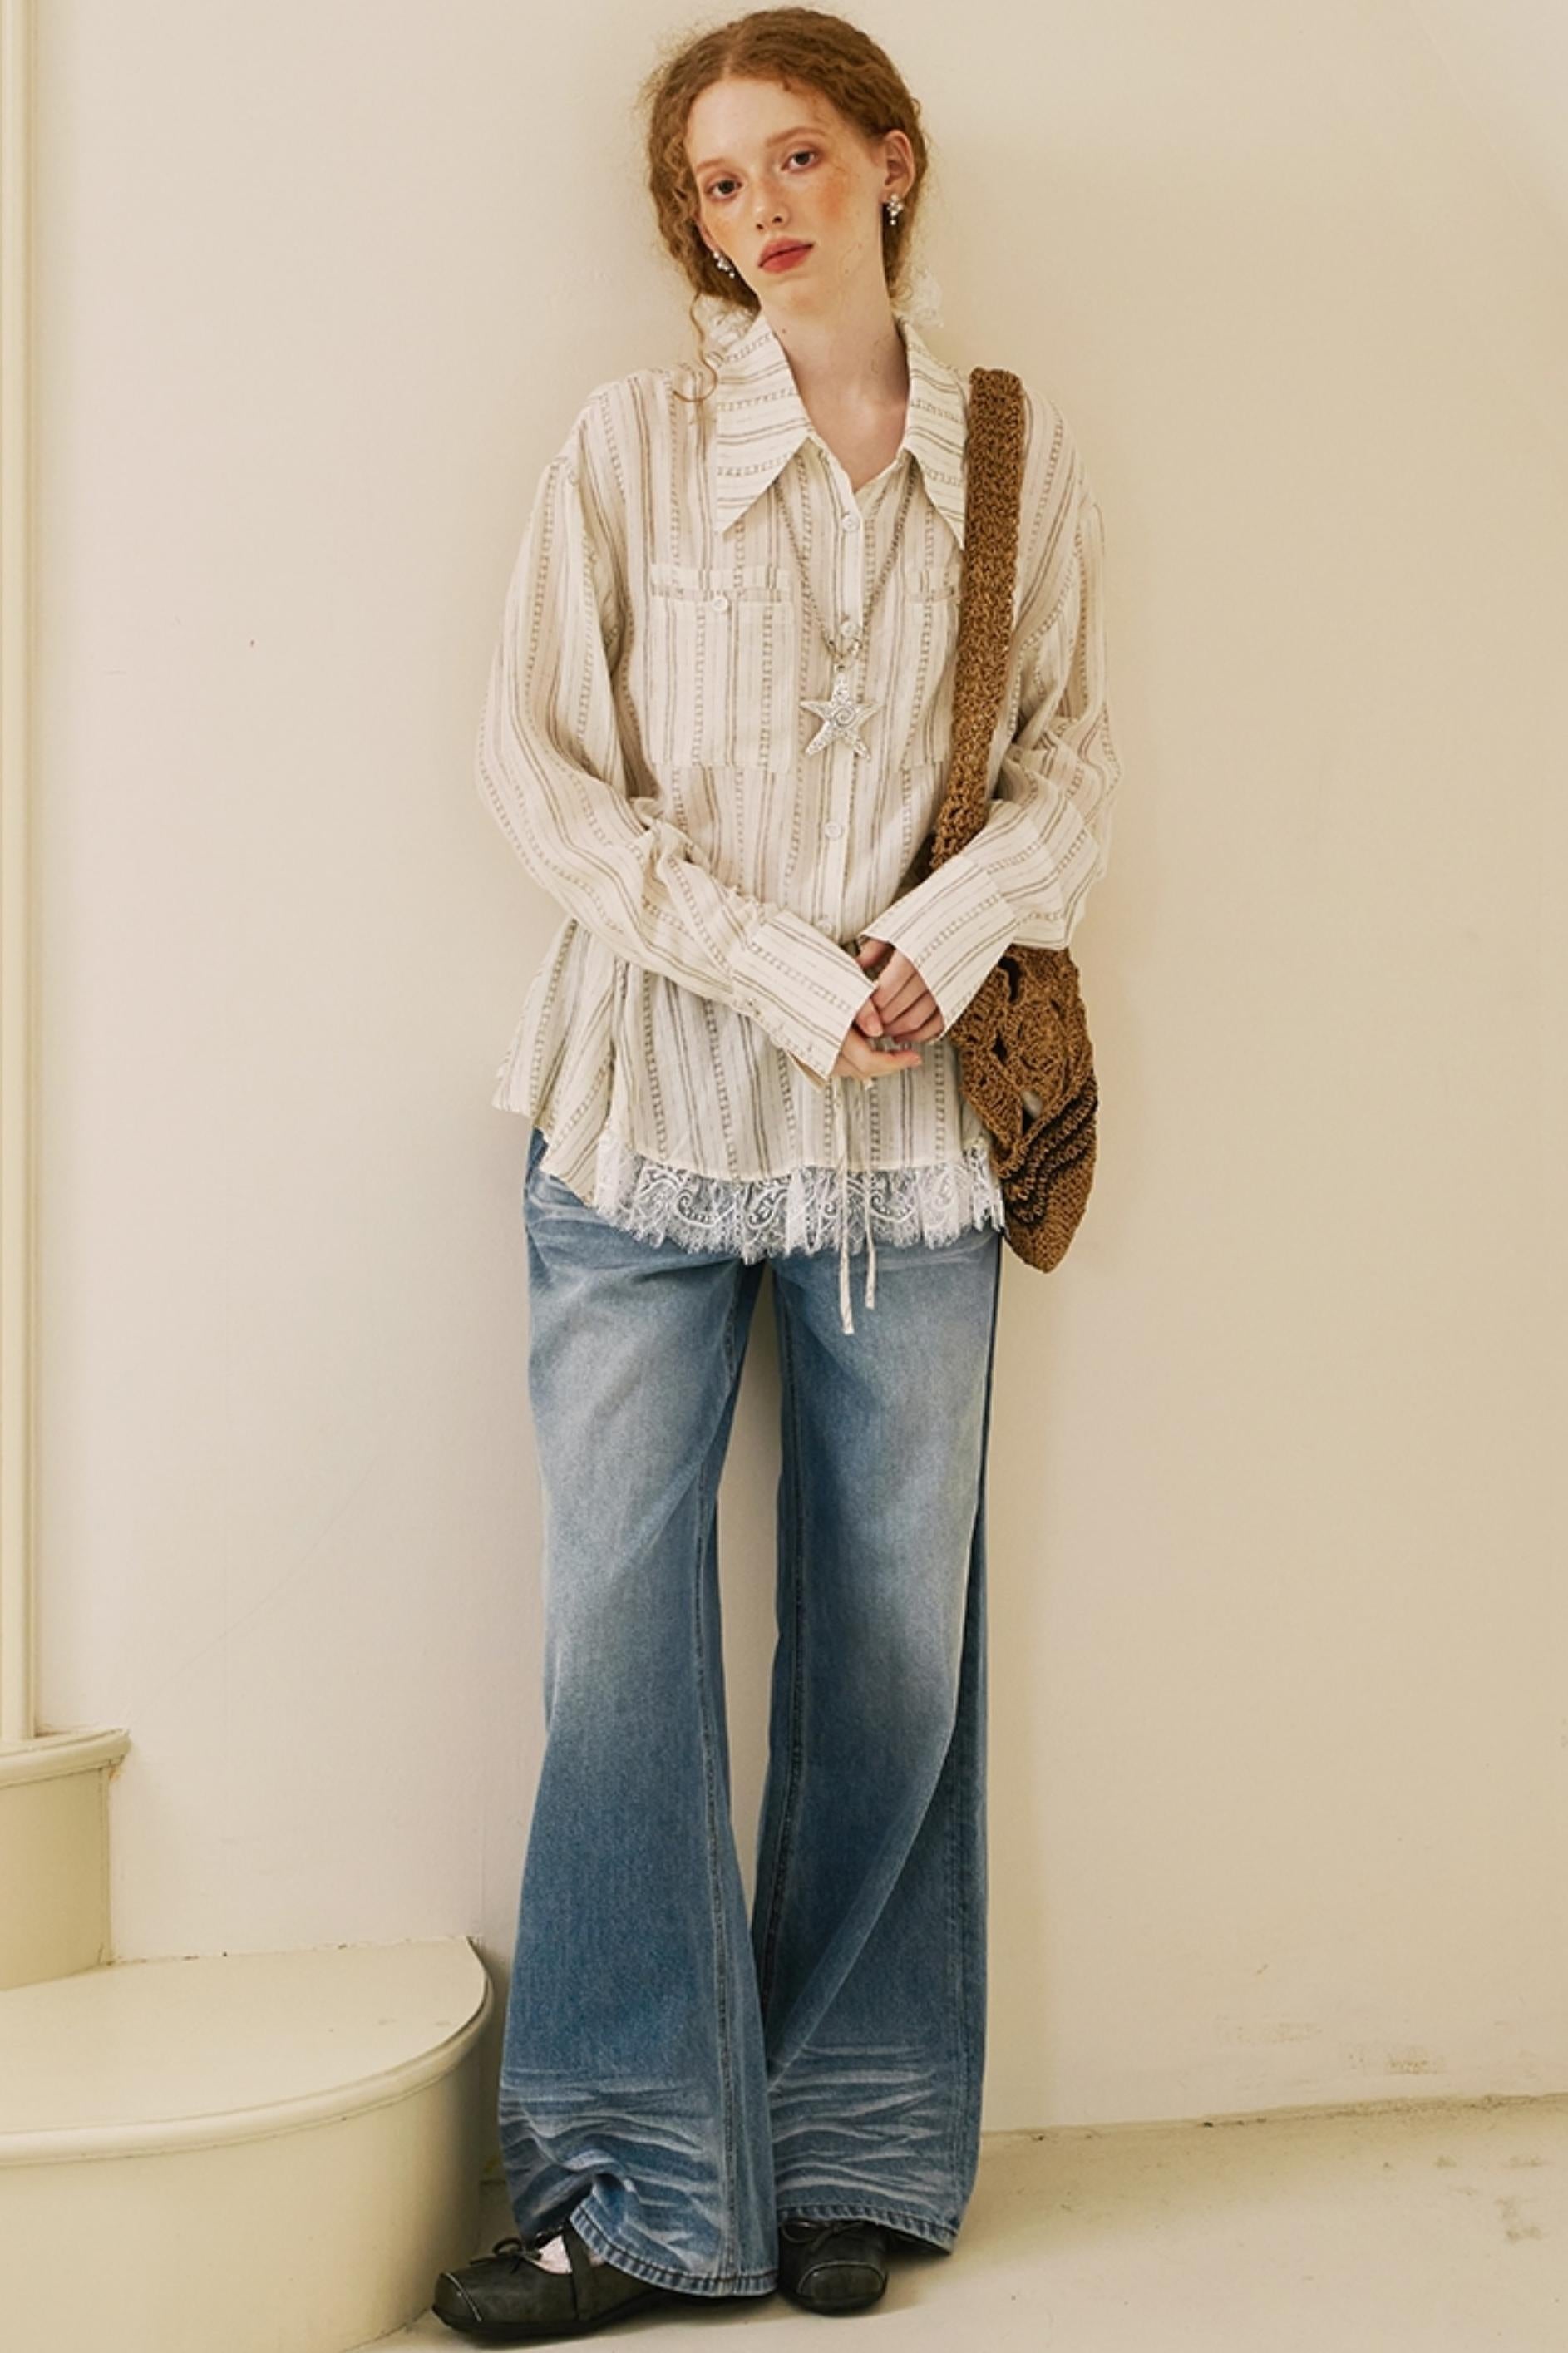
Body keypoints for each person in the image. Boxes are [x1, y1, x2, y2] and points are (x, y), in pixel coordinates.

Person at [435, 7, 1121, 2339]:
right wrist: (776, 972)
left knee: (894, 1648)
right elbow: (536, 768)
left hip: (912, 1155)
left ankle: (854, 2153)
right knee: (622, 1641)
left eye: (798, 158)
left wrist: (940, 938)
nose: (762, 212)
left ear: (892, 163)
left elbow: (1071, 767)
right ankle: (629, 2191)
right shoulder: (628, 445)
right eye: (719, 185)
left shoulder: (1009, 453)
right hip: (648, 1119)